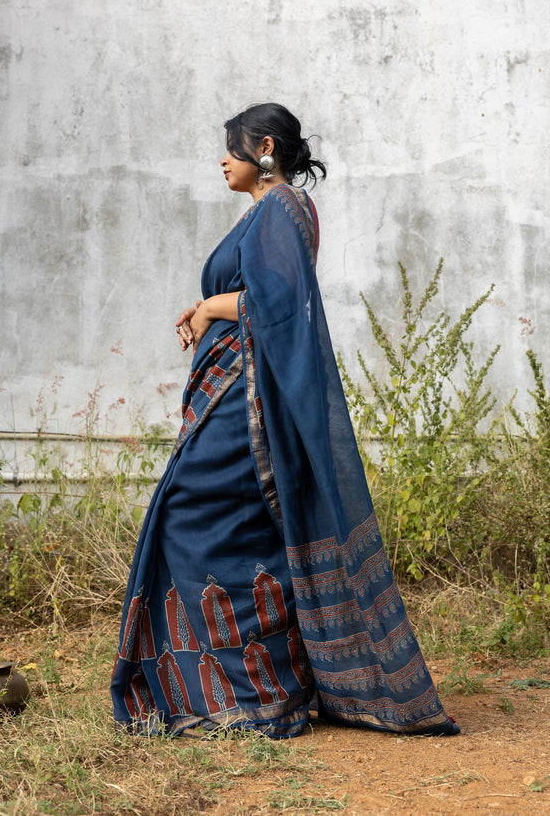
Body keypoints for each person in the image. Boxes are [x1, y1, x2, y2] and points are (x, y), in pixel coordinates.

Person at [110, 103, 459, 738]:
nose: (222, 160)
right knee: (241, 523)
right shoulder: (266, 213)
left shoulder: (283, 209)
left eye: (232, 148)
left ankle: (258, 690)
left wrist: (211, 304)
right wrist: (206, 311)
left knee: (193, 510)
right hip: (230, 390)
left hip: (248, 400)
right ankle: (269, 681)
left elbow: (273, 302)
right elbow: (257, 295)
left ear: (265, 147)